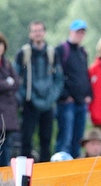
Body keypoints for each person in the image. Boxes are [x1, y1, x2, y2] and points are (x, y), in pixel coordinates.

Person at [15, 21, 62, 162]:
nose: (38, 33)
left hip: (48, 103)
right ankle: (24, 176)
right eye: (35, 31)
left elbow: (59, 79)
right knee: (26, 139)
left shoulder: (52, 53)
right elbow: (17, 78)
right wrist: (25, 96)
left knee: (46, 139)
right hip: (30, 103)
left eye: (40, 30)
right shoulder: (23, 53)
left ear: (44, 32)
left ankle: (45, 173)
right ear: (30, 34)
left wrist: (52, 97)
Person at [55, 19, 92, 158]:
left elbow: (84, 74)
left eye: (82, 32)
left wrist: (89, 94)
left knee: (78, 140)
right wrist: (64, 96)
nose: (80, 35)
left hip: (81, 102)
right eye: (77, 32)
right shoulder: (61, 50)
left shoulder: (82, 52)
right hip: (67, 103)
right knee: (65, 139)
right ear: (71, 32)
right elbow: (57, 76)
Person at [0, 32, 22, 166]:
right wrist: (7, 83)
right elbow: (11, 83)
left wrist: (7, 84)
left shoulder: (7, 63)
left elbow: (17, 82)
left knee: (7, 147)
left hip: (8, 115)